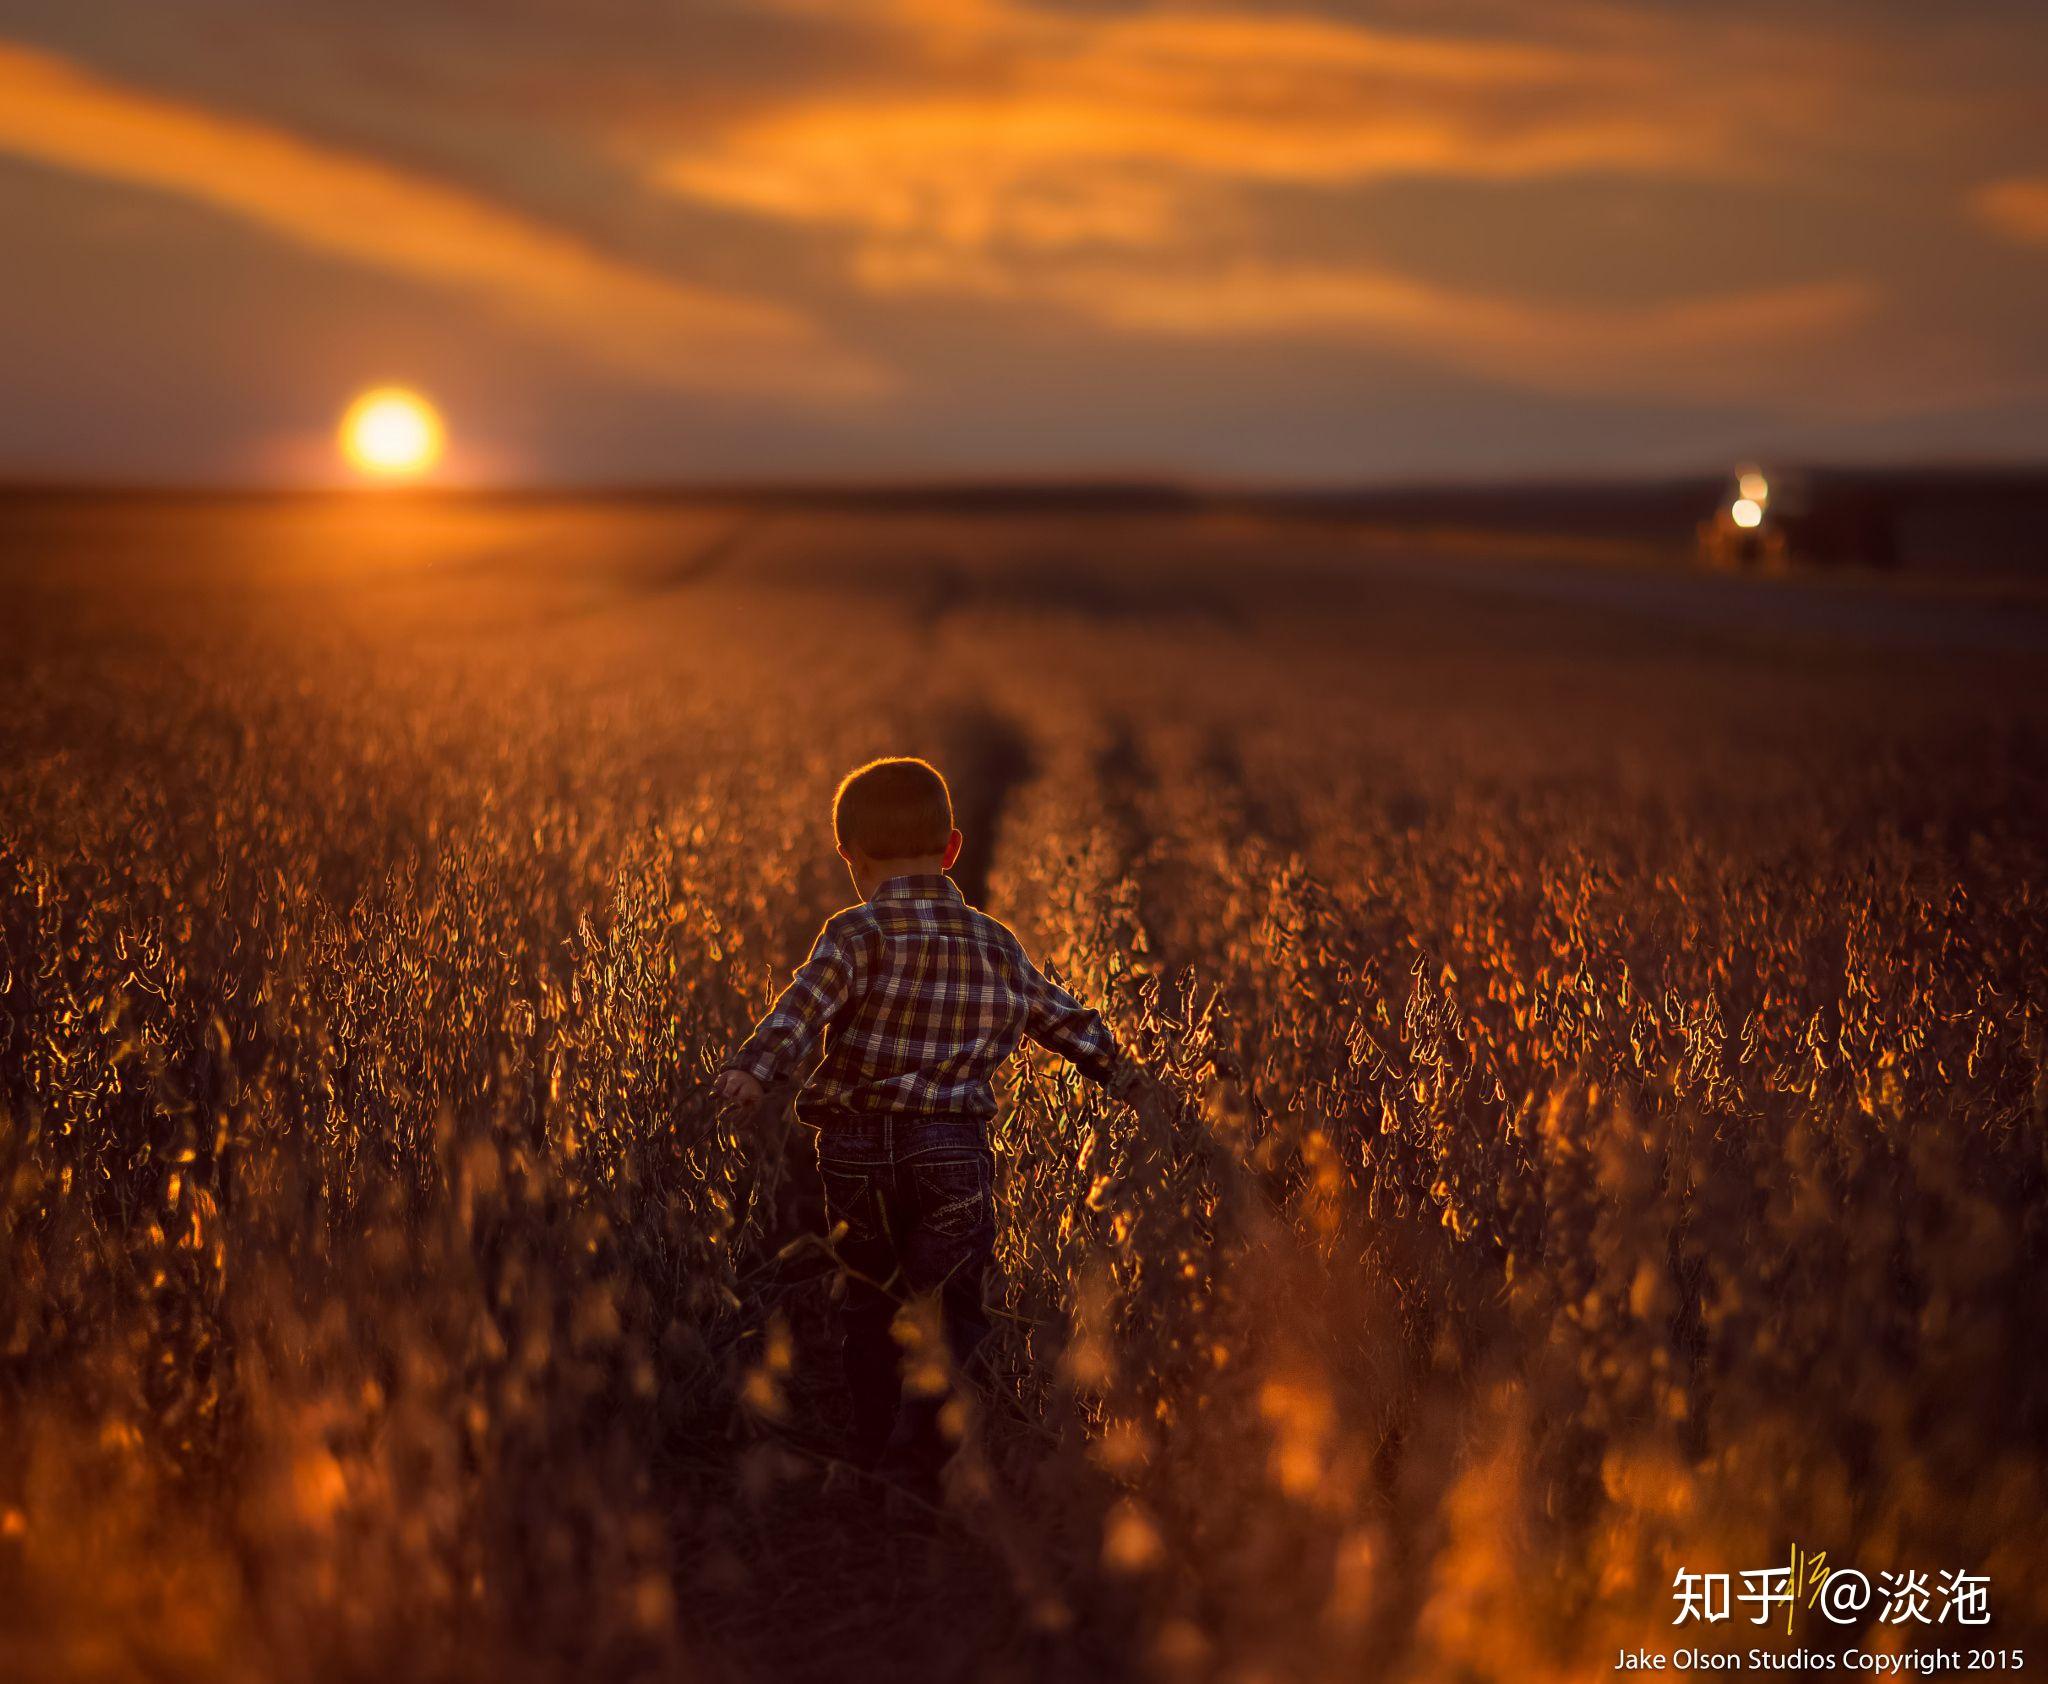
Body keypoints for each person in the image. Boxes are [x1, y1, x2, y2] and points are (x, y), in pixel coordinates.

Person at [717, 756, 1150, 1493]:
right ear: (953, 848)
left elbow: (801, 1010)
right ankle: (937, 1452)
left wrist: (752, 1071)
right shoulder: (994, 942)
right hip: (952, 1150)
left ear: (848, 854)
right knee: (951, 1302)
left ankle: (872, 1449)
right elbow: (1063, 1020)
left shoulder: (854, 931)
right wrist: (1133, 1082)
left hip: (855, 1150)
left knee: (871, 1299)